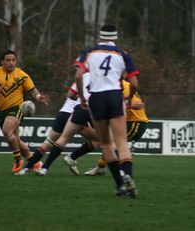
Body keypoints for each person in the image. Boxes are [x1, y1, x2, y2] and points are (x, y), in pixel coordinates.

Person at [75, 24, 140, 197]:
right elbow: (134, 83)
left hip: (96, 97)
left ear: (101, 36)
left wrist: (82, 97)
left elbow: (78, 75)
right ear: (115, 37)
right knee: (121, 142)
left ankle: (120, 185)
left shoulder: (89, 52)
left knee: (106, 143)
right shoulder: (123, 54)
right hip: (114, 96)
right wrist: (129, 98)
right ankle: (128, 176)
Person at [15, 72, 95, 176]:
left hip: (63, 113)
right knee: (100, 140)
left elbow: (71, 94)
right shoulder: (100, 77)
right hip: (77, 114)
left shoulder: (83, 76)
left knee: (47, 143)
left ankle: (26, 169)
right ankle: (70, 158)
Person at [64, 79, 149, 176]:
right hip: (125, 120)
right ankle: (94, 165)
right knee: (104, 139)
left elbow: (134, 104)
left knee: (114, 141)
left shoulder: (123, 86)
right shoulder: (112, 87)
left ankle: (120, 169)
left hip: (136, 122)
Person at [0, 50, 49, 173]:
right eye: (8, 60)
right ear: (2, 62)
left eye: (13, 60)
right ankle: (34, 162)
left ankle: (17, 159)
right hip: (1, 111)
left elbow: (33, 90)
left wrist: (39, 97)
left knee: (6, 131)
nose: (11, 63)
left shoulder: (22, 75)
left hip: (16, 109)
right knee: (16, 141)